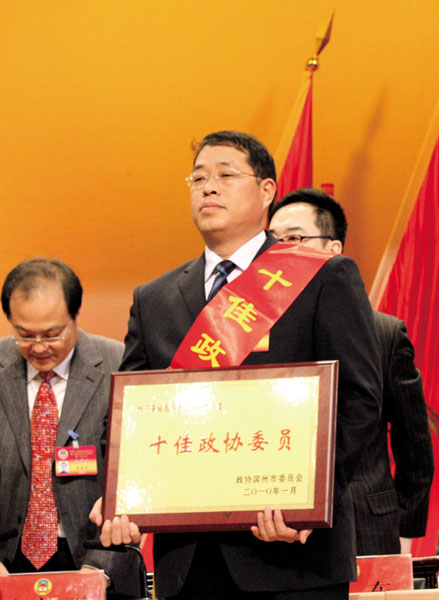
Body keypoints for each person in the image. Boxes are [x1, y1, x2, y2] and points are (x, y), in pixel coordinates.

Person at [91, 130, 382, 600]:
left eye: (226, 175)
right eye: (198, 178)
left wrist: (310, 502)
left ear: (267, 190)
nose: (208, 187)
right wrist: (120, 493)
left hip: (293, 559)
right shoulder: (154, 299)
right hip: (188, 564)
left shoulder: (322, 276)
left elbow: (360, 400)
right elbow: (127, 416)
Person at [268, 187, 434, 556]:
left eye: (293, 238)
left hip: (365, 529)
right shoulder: (254, 336)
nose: (278, 251)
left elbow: (415, 448)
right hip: (271, 531)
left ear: (333, 250)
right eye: (271, 241)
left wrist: (405, 533)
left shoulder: (383, 333)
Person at [0, 258, 141, 599]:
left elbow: (137, 474)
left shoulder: (119, 365)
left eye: (52, 334)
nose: (38, 347)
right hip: (7, 562)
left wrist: (97, 572)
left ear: (76, 315)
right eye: (24, 334)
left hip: (95, 561)